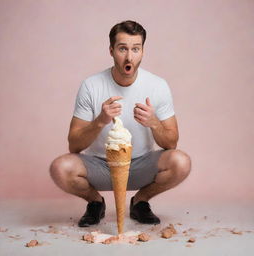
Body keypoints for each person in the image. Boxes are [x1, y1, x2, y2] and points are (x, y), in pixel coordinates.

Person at [49, 20, 191, 227]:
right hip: (101, 166)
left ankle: (140, 201)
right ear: (111, 50)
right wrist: (100, 121)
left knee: (181, 162)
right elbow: (74, 145)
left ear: (143, 51)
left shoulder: (158, 85)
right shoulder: (91, 85)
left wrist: (154, 123)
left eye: (136, 49)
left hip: (140, 165)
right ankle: (95, 203)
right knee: (60, 168)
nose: (129, 56)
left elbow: (171, 143)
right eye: (122, 48)